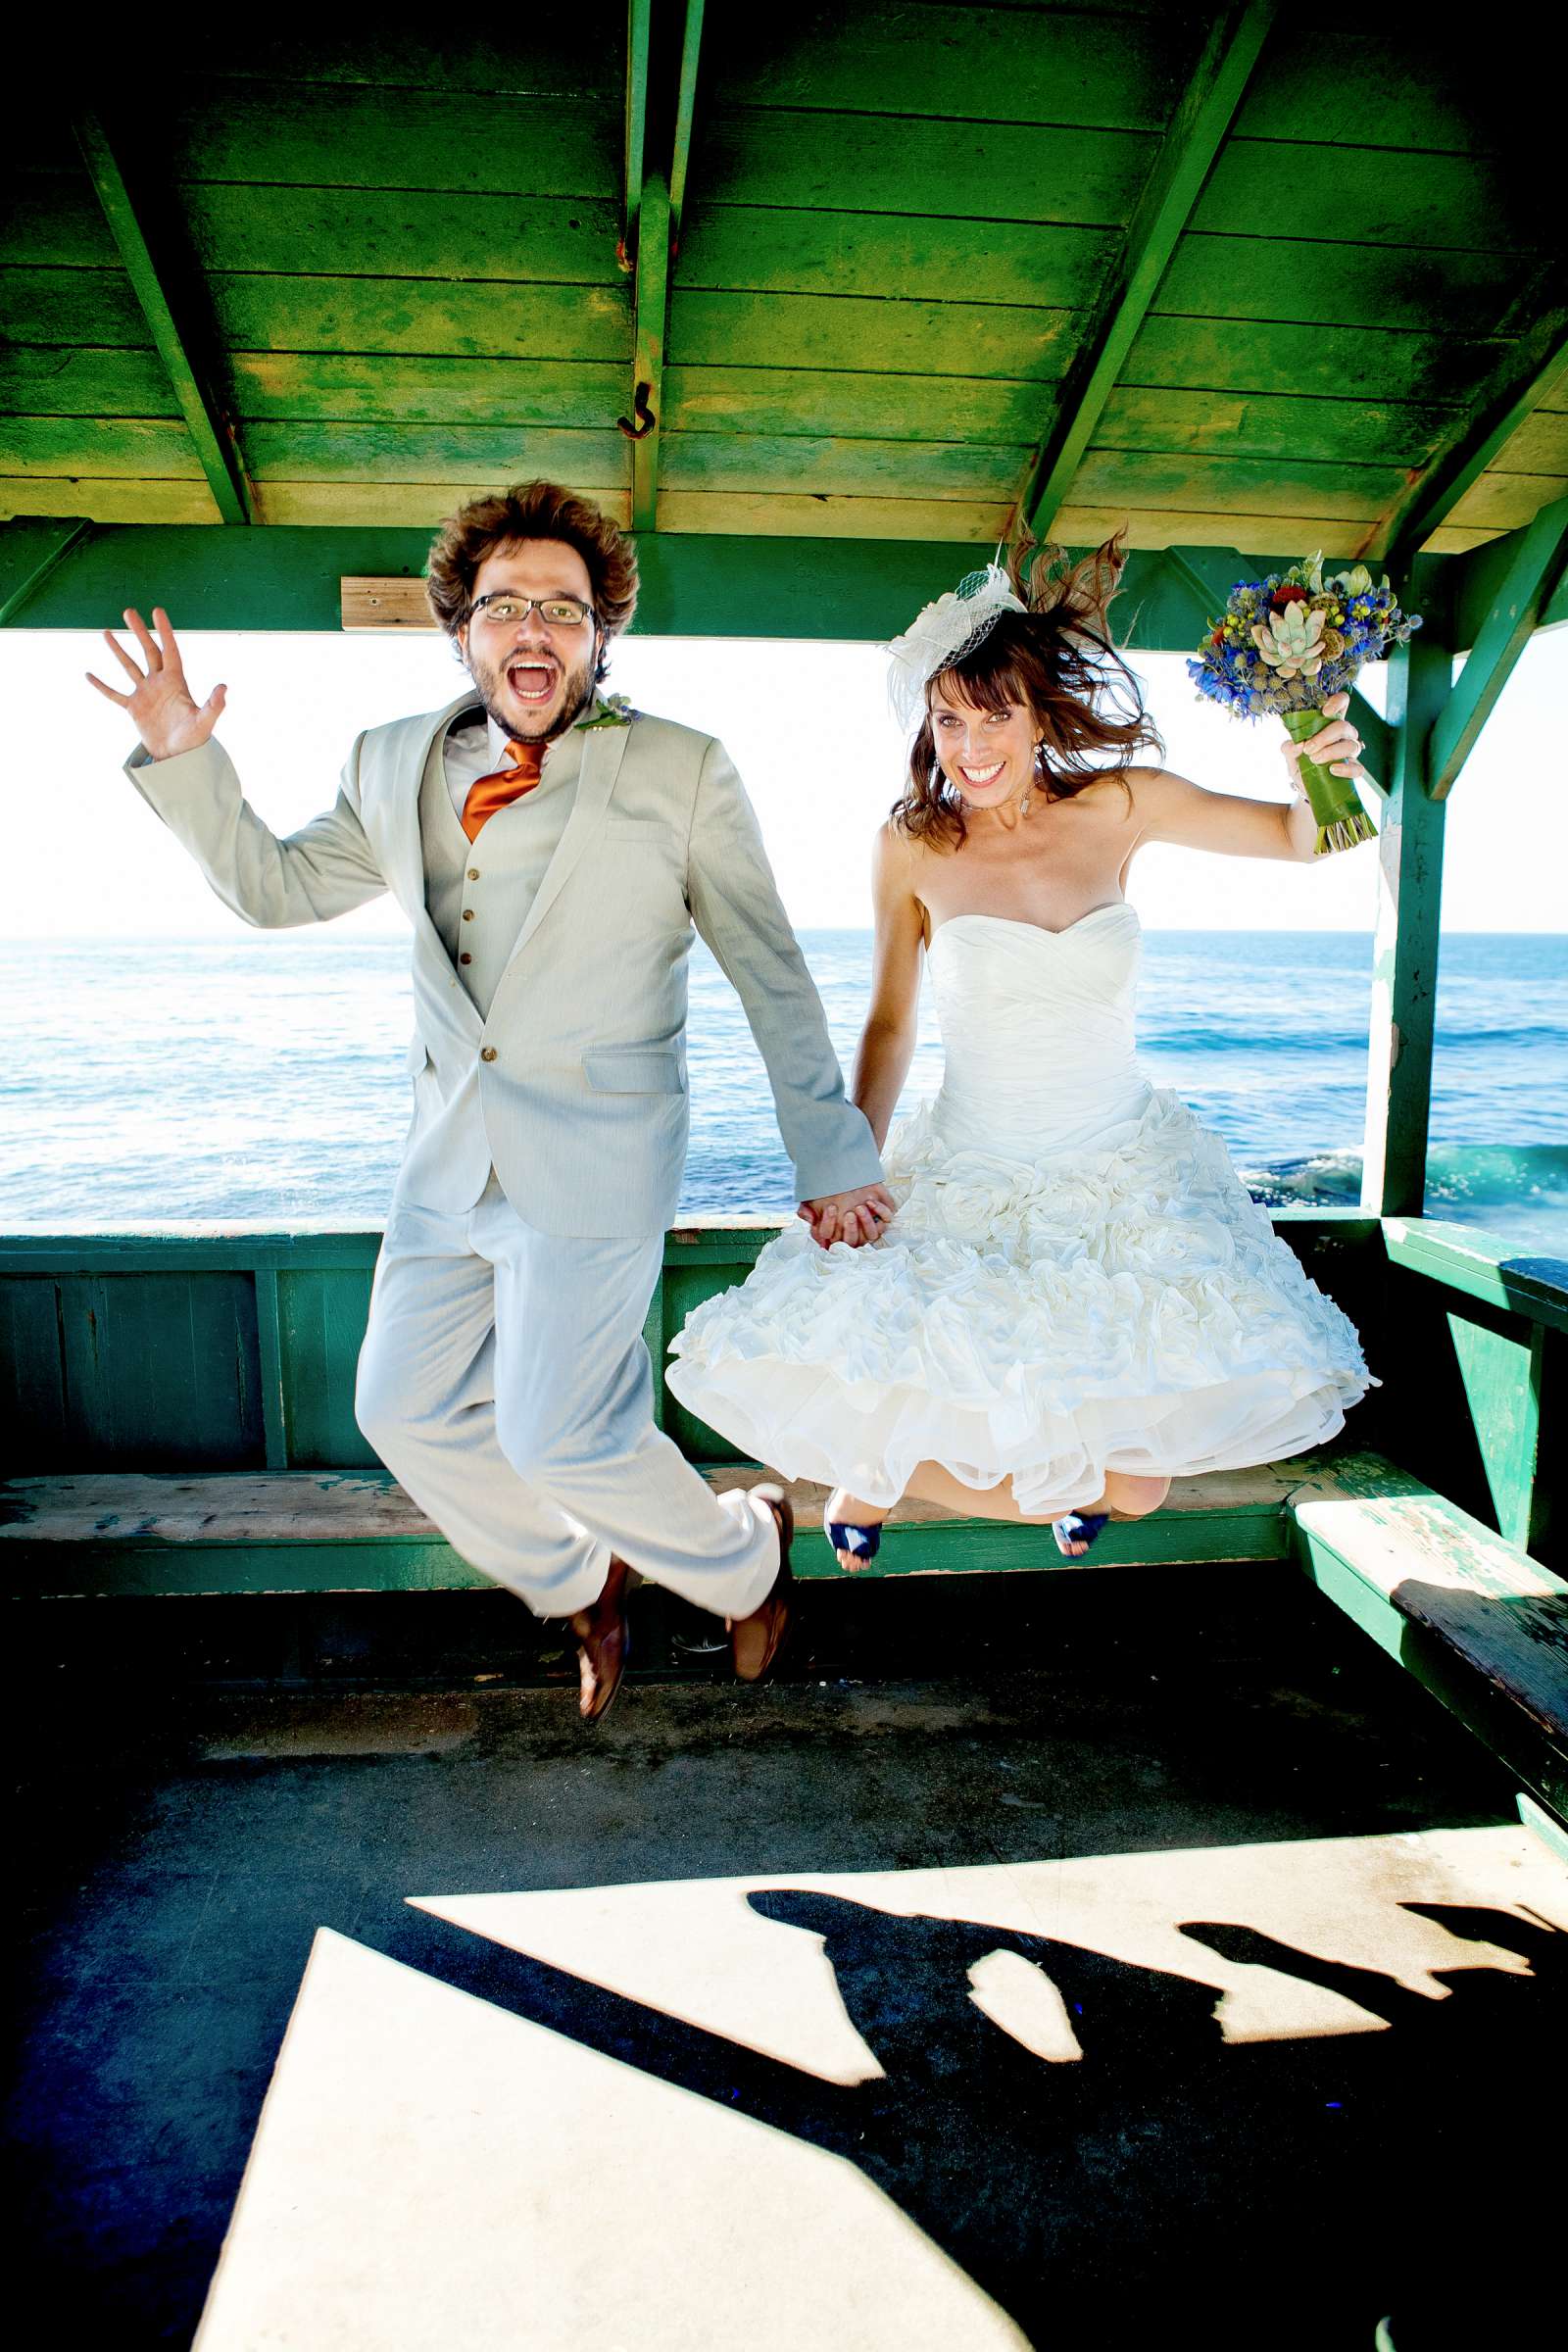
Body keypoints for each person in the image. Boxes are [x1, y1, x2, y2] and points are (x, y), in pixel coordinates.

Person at [86, 478, 894, 1716]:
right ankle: (578, 1581)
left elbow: (770, 971)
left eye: (563, 611)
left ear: (599, 634)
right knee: (399, 1409)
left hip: (601, 1151)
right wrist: (189, 763)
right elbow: (276, 890)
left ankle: (744, 1561)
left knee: (561, 1434)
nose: (534, 630)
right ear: (460, 625)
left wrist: (826, 1150)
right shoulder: (387, 757)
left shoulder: (682, 771)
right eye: (506, 605)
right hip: (446, 1154)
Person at [666, 535, 1375, 1565]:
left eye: (994, 712)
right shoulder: (911, 844)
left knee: (1136, 1485)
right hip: (973, 1172)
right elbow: (891, 1022)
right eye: (948, 718)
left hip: (1122, 1174)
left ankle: (897, 1478)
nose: (970, 743)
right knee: (975, 1409)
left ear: (1042, 711)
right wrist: (846, 1158)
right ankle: (874, 1482)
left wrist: (1324, 768)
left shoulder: (1123, 802)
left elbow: (1312, 842)